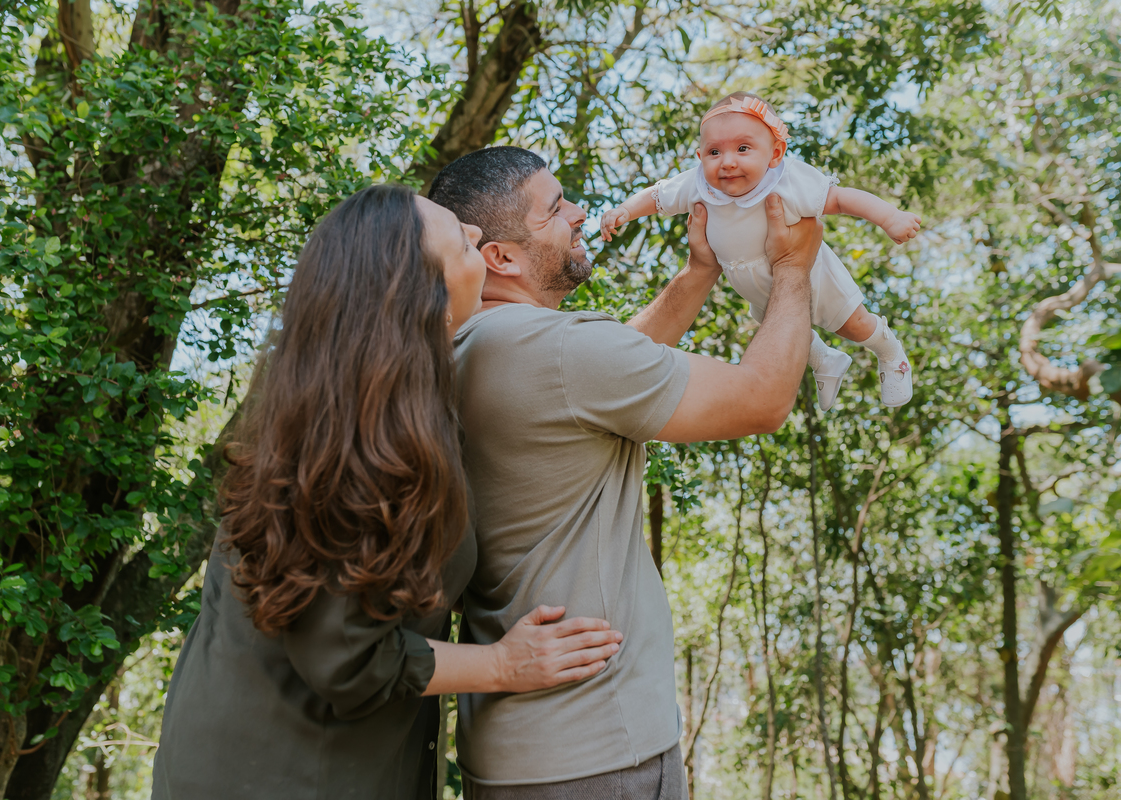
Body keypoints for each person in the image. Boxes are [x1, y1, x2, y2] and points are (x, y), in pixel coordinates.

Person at [150, 184, 624, 800]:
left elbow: (592, 380)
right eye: (460, 238)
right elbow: (343, 656)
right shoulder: (351, 434)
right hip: (282, 774)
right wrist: (506, 665)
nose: (478, 236)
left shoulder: (377, 397)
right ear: (415, 294)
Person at [427, 147, 823, 799]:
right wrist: (792, 269)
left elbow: (605, 376)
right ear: (500, 256)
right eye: (555, 209)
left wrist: (699, 273)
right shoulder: (555, 352)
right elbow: (763, 398)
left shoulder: (475, 348)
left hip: (519, 750)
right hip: (600, 752)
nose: (579, 213)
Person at [600, 90, 921, 410]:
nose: (727, 162)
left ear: (775, 153)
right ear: (700, 158)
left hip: (812, 275)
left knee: (854, 325)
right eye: (714, 151)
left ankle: (890, 353)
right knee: (781, 329)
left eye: (743, 148)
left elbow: (841, 198)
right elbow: (657, 196)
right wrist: (625, 211)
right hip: (754, 284)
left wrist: (890, 217)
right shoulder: (698, 185)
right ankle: (826, 361)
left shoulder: (787, 181)